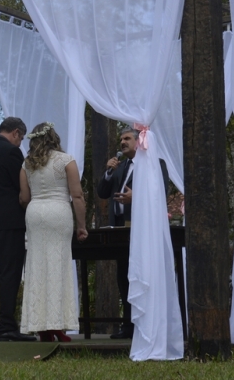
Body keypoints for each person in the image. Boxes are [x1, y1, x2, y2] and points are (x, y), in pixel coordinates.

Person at [18, 122, 88, 342]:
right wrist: (82, 226)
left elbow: (24, 198)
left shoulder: (26, 164)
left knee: (37, 266)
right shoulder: (66, 160)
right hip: (59, 212)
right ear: (54, 137)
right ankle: (56, 324)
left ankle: (42, 327)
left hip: (36, 213)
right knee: (59, 264)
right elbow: (77, 196)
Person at [0, 117, 36, 342]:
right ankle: (8, 326)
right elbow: (20, 186)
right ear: (16, 133)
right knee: (10, 272)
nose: (20, 143)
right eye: (20, 139)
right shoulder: (12, 153)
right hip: (10, 220)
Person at [96, 127, 138, 339]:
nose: (122, 142)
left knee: (139, 275)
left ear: (139, 141)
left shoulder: (154, 164)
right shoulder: (120, 167)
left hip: (141, 228)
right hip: (120, 228)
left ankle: (143, 323)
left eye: (127, 138)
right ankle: (128, 325)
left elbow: (161, 193)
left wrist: (136, 198)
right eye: (121, 139)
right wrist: (108, 172)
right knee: (123, 275)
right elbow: (103, 193)